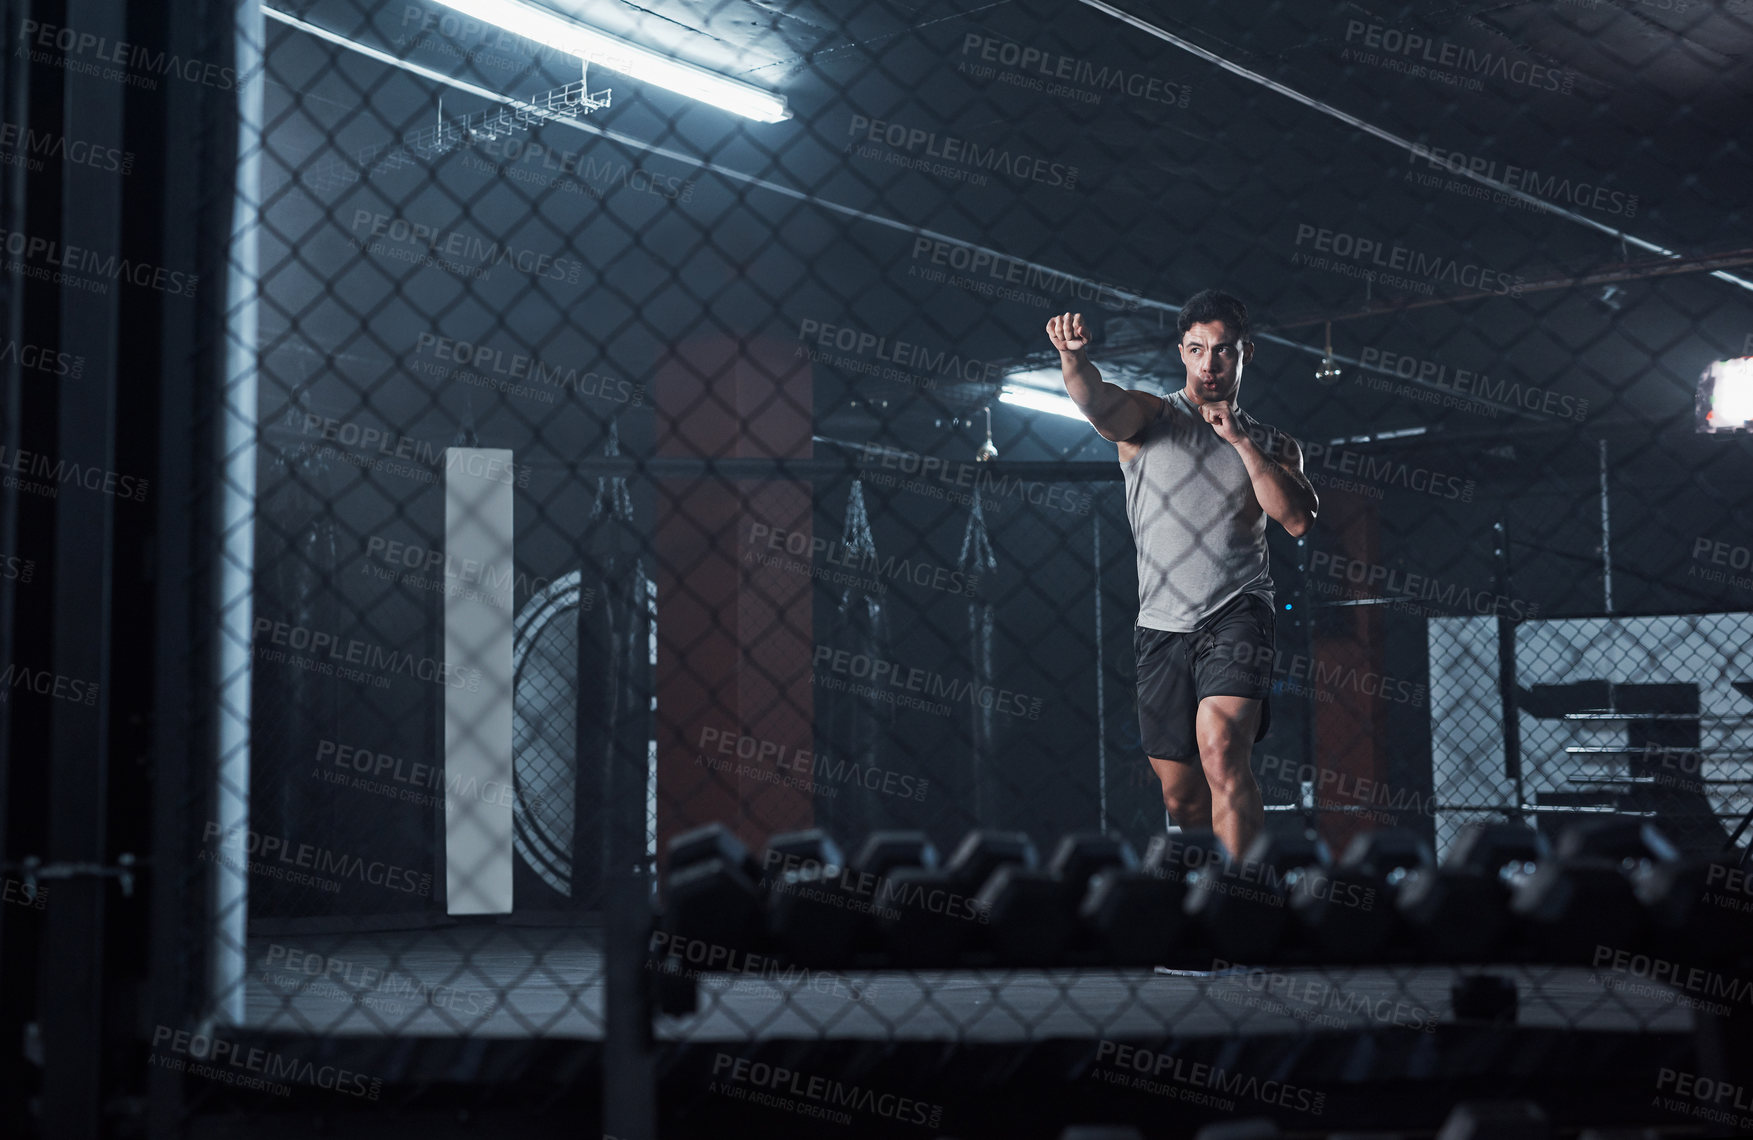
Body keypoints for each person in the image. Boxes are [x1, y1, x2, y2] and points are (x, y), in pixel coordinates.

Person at [1046, 290, 1317, 862]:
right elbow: (1100, 404)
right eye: (1197, 350)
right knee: (1183, 797)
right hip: (1162, 626)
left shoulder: (1274, 444)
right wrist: (1073, 361)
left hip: (1238, 612)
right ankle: (1201, 899)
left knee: (1222, 753)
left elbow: (1295, 519)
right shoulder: (1152, 418)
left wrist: (1239, 440)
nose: (1209, 364)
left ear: (1246, 354)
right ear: (1181, 353)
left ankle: (1242, 909)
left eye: (1222, 351)